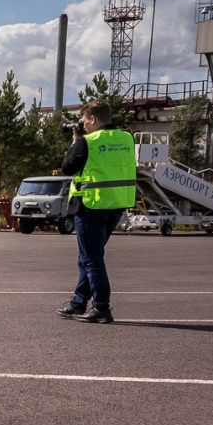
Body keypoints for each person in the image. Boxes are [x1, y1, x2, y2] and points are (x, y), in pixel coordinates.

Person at [56, 100, 136, 324]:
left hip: (91, 205)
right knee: (88, 258)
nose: (82, 125)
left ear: (92, 119)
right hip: (116, 205)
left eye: (84, 121)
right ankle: (78, 302)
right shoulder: (127, 138)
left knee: (92, 260)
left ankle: (101, 307)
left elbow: (67, 167)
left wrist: (75, 143)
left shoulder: (86, 142)